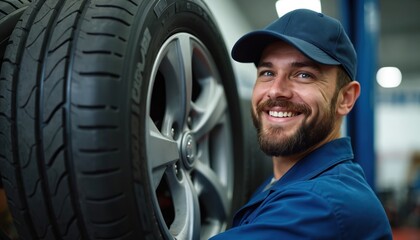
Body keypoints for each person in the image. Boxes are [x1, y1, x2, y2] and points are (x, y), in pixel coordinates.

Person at [210, 9, 392, 240]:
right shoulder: (283, 181)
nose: (276, 90)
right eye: (267, 72)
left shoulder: (323, 204)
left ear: (345, 98)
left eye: (303, 75)